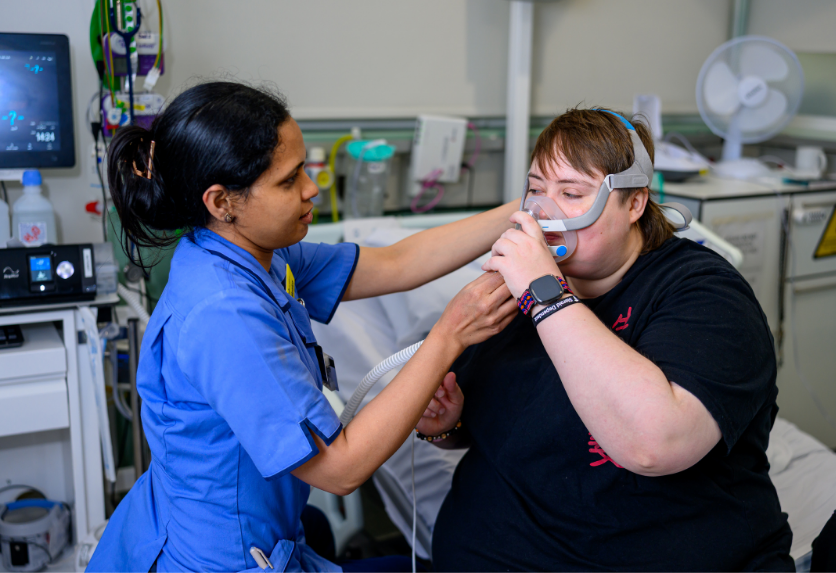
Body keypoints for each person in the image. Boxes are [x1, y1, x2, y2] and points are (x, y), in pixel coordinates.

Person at [86, 81, 519, 573]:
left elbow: (398, 262)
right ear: (221, 201)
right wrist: (450, 336)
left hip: (215, 523)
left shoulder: (255, 254)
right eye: (290, 181)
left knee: (317, 528)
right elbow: (341, 469)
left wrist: (521, 211)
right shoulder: (224, 315)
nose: (312, 188)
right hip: (213, 560)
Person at [417, 108, 794, 571]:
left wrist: (545, 295)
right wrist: (446, 424)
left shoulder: (705, 294)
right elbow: (484, 433)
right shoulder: (515, 291)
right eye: (536, 190)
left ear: (634, 203)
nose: (544, 211)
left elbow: (654, 444)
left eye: (571, 193)